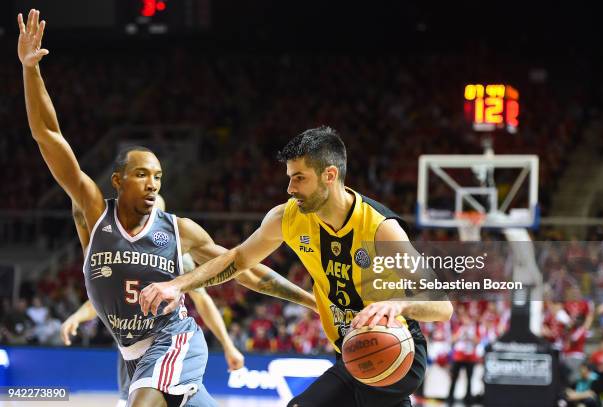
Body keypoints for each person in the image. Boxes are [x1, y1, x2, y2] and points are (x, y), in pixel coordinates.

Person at [17, 10, 315, 407]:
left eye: (158, 175)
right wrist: (30, 70)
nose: (153, 182)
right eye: (142, 174)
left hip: (174, 340)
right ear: (118, 181)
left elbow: (246, 269)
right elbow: (48, 135)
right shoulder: (92, 213)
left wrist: (314, 301)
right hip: (131, 357)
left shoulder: (179, 231)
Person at [140, 127, 453, 406]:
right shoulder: (287, 218)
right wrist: (177, 284)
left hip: (393, 349)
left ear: (330, 175)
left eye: (299, 178)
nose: (290, 188)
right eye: (289, 178)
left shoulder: (380, 229)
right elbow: (237, 260)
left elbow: (443, 306)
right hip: (351, 349)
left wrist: (396, 304)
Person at [61, 196, 245, 407]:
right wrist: (78, 315)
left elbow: (203, 300)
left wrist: (228, 345)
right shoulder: (116, 248)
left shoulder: (174, 252)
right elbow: (101, 299)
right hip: (131, 346)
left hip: (164, 339)